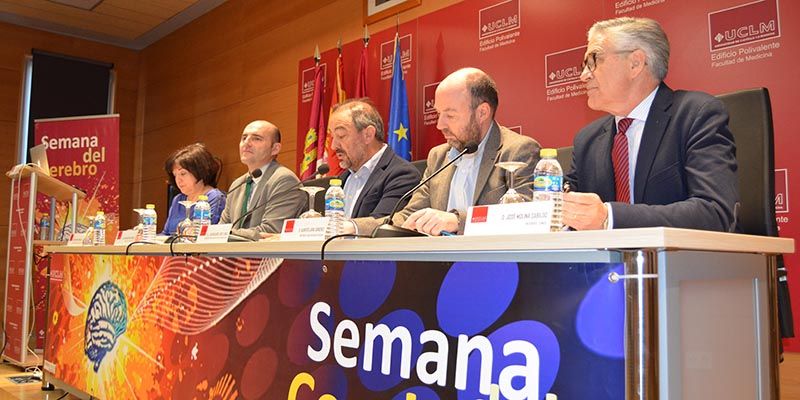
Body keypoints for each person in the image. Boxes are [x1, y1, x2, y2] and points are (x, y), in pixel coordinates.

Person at [563, 17, 738, 232]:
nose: (583, 76)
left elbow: (714, 212)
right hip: (605, 256)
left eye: (593, 61)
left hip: (684, 253)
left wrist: (610, 217)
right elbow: (563, 208)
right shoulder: (587, 139)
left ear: (635, 63)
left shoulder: (696, 115)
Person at [352, 67, 541, 236]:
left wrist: (458, 221)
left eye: (450, 115)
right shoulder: (438, 157)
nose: (439, 125)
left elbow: (526, 216)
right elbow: (409, 217)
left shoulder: (518, 151)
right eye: (438, 114)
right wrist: (354, 227)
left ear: (482, 113)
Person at [329, 98, 421, 219]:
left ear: (368, 135)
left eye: (341, 136)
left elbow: (382, 225)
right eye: (332, 137)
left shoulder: (402, 175)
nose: (333, 146)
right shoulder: (342, 179)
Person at [219, 120, 305, 239]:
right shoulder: (237, 184)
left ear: (275, 148)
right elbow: (221, 230)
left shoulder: (284, 180)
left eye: (256, 139)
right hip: (234, 251)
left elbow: (271, 231)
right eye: (244, 138)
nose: (246, 143)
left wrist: (226, 233)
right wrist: (221, 233)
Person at [161, 143, 226, 235]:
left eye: (183, 173)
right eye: (175, 175)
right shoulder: (178, 199)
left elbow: (207, 234)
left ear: (199, 171)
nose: (178, 180)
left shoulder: (214, 197)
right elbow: (165, 234)